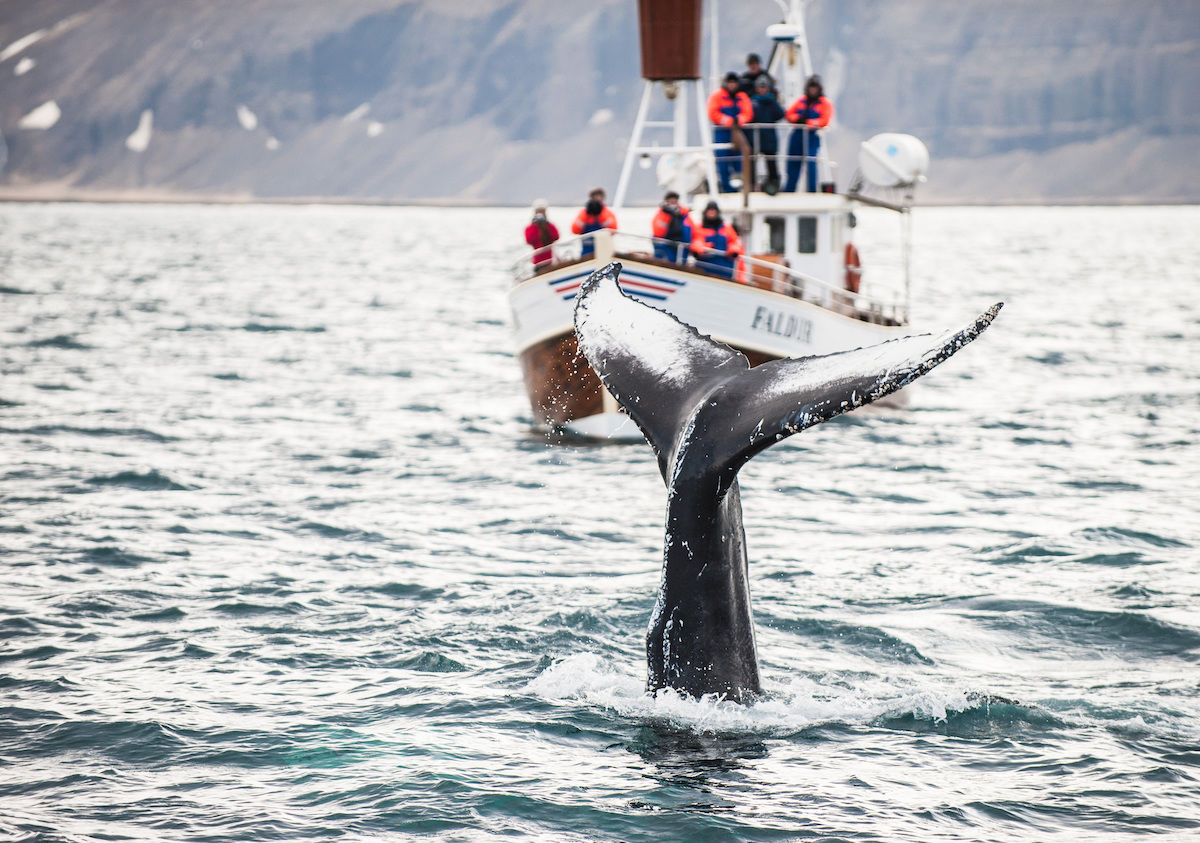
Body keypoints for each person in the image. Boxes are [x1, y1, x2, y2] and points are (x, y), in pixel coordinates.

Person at [783, 75, 834, 193]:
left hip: (812, 135)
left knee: (811, 161)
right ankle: (789, 189)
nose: (813, 90)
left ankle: (811, 189)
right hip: (797, 135)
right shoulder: (802, 100)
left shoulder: (824, 103)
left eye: (815, 88)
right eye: (811, 87)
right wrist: (797, 118)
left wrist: (810, 122)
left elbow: (824, 120)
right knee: (793, 162)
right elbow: (789, 114)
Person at [706, 72, 753, 193]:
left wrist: (740, 120)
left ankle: (738, 186)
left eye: (734, 83)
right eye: (730, 82)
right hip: (722, 133)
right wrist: (728, 121)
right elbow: (712, 113)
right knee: (722, 162)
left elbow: (747, 113)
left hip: (738, 133)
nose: (732, 85)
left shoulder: (742, 97)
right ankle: (725, 187)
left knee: (739, 161)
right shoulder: (717, 96)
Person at [691, 201, 743, 280]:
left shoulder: (727, 228)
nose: (711, 212)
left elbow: (733, 242)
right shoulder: (699, 227)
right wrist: (701, 249)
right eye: (710, 210)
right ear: (706, 212)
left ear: (717, 212)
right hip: (705, 268)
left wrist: (734, 250)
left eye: (713, 210)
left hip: (725, 269)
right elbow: (697, 240)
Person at [749, 75, 784, 193]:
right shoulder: (752, 102)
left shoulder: (771, 102)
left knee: (771, 161)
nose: (762, 89)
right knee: (752, 161)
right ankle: (752, 183)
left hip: (769, 137)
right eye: (760, 87)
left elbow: (780, 114)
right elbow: (749, 116)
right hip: (755, 137)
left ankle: (774, 182)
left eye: (764, 87)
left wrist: (773, 101)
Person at [571, 187, 617, 257]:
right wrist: (586, 215)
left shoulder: (608, 214)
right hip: (586, 253)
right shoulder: (583, 214)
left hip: (604, 251)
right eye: (595, 199)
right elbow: (575, 230)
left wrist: (600, 215)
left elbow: (613, 230)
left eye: (599, 200)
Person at [651, 191, 692, 264]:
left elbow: (692, 229)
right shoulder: (662, 214)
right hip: (666, 244)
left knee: (680, 262)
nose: (673, 201)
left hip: (681, 245)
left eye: (675, 200)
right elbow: (658, 231)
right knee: (666, 262)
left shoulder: (684, 214)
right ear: (666, 201)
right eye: (670, 200)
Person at [524, 199, 559, 269]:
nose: (541, 213)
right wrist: (535, 226)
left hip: (551, 261)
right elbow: (529, 240)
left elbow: (556, 237)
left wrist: (546, 225)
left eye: (542, 211)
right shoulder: (530, 227)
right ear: (535, 212)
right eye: (539, 211)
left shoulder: (550, 226)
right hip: (538, 263)